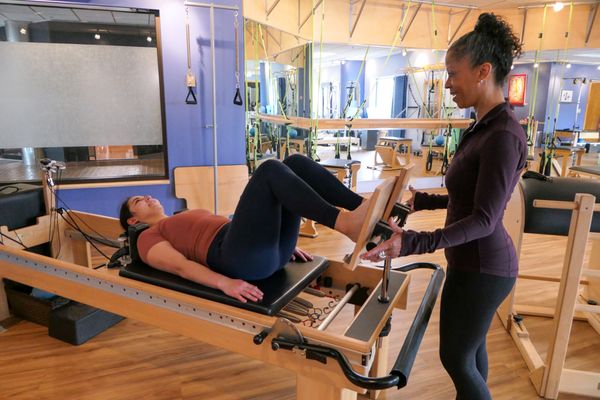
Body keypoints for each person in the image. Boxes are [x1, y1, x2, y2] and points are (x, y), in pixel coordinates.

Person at [361, 13, 526, 400]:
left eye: (453, 74)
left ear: (484, 71)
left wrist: (412, 242)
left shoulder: (503, 135)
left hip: (485, 268)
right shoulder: (484, 126)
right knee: (470, 354)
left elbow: (484, 218)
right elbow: (470, 196)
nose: (446, 83)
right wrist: (422, 200)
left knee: (455, 358)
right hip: (472, 263)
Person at [120, 154, 370, 304]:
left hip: (266, 253)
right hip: (239, 259)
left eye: (145, 195)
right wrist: (224, 283)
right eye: (138, 201)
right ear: (133, 221)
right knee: (269, 169)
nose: (147, 197)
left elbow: (245, 225)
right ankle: (346, 224)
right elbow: (180, 267)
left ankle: (364, 208)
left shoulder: (179, 216)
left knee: (295, 163)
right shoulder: (147, 237)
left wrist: (280, 238)